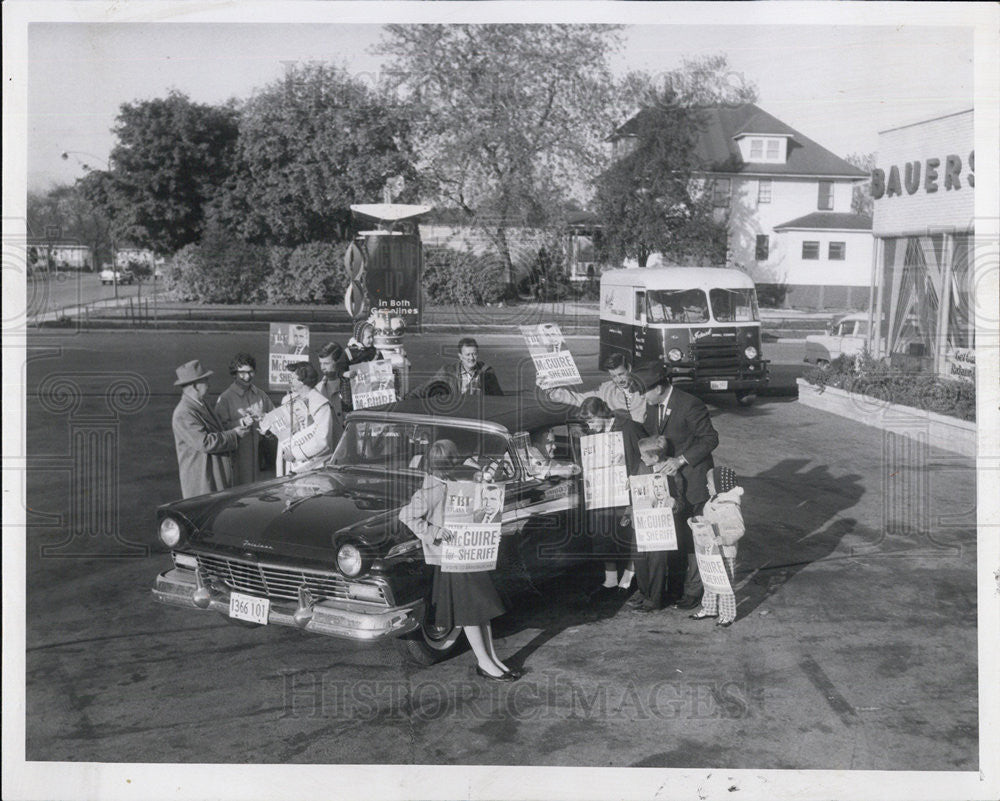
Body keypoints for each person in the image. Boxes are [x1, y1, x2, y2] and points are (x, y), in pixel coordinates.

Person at [398, 439, 520, 682]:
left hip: (468, 554)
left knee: (480, 609)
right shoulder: (430, 491)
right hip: (451, 559)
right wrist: (433, 532)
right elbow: (406, 515)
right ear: (444, 465)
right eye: (454, 461)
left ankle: (491, 658)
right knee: (471, 612)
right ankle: (484, 661)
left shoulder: (453, 481)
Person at [641, 365, 719, 609]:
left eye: (645, 392)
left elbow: (710, 439)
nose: (642, 398)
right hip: (670, 485)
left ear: (658, 387)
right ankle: (675, 588)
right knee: (676, 536)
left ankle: (694, 590)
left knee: (696, 536)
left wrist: (681, 460)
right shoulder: (653, 407)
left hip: (693, 480)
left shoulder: (690, 404)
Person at [577, 397, 643, 594]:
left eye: (591, 420)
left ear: (602, 414)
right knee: (601, 533)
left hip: (626, 490)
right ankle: (610, 578)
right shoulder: (591, 434)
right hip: (602, 493)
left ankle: (630, 574)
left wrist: (629, 466)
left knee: (631, 534)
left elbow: (644, 456)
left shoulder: (629, 427)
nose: (589, 426)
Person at [171, 359, 249, 498]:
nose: (209, 384)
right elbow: (205, 442)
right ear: (195, 386)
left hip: (214, 478)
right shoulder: (183, 413)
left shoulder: (201, 404)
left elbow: (218, 429)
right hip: (202, 484)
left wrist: (240, 423)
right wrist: (234, 435)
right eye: (205, 380)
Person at [626, 435, 680, 612]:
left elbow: (680, 500)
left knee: (657, 562)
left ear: (655, 458)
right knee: (639, 559)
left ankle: (654, 599)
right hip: (640, 523)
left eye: (643, 455)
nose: (640, 457)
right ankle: (644, 592)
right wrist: (630, 486)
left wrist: (675, 503)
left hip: (659, 526)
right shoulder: (641, 466)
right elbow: (634, 487)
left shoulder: (671, 473)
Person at [689, 467, 745, 628]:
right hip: (710, 550)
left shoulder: (730, 506)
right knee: (710, 580)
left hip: (725, 552)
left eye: (709, 483)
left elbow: (739, 529)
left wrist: (725, 539)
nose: (707, 486)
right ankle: (710, 608)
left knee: (725, 584)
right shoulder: (713, 500)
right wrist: (697, 521)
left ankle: (727, 614)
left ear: (720, 486)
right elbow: (709, 520)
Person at [214, 353, 275, 486]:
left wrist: (264, 416)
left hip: (259, 459)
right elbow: (218, 429)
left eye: (251, 372)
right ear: (234, 373)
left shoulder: (261, 395)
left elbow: (275, 416)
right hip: (236, 459)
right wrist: (240, 423)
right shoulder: (225, 399)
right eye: (242, 373)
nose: (247, 377)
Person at [541, 353, 645, 423]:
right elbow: (578, 398)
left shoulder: (645, 388)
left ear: (629, 369)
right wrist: (551, 391)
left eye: (621, 374)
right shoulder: (606, 390)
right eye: (613, 376)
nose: (619, 380)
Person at [281, 362, 337, 474]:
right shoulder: (291, 400)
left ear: (302, 381)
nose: (290, 381)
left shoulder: (320, 404)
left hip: (313, 465)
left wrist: (295, 454)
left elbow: (322, 440)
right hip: (293, 463)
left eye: (293, 378)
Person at [413, 337, 503, 397]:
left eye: (474, 354)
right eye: (467, 355)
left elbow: (498, 398)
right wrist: (407, 399)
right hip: (457, 415)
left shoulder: (487, 372)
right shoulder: (448, 371)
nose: (471, 358)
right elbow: (425, 388)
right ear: (460, 356)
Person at [342, 321, 383, 411]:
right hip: (352, 394)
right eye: (368, 337)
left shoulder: (376, 353)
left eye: (373, 337)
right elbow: (338, 369)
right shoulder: (349, 353)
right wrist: (344, 373)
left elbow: (383, 371)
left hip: (372, 395)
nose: (371, 340)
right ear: (359, 337)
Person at [316, 341, 348, 436]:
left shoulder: (351, 385)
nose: (322, 368)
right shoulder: (318, 389)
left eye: (326, 363)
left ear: (338, 362)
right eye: (320, 363)